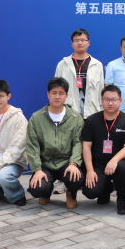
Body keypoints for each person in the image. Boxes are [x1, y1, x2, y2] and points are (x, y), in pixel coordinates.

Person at [26, 77, 84, 209]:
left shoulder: (75, 118)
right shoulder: (36, 118)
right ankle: (45, 192)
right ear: (48, 94)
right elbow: (32, 145)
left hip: (66, 162)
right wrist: (37, 169)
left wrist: (74, 163)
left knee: (76, 178)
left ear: (66, 95)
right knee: (37, 189)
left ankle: (71, 193)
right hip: (46, 163)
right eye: (54, 93)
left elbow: (78, 142)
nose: (57, 96)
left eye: (61, 93)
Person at [81, 85, 125, 215]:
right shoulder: (92, 120)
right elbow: (86, 146)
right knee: (90, 192)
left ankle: (122, 198)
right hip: (98, 163)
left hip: (119, 162)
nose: (110, 103)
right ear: (101, 100)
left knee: (123, 167)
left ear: (120, 101)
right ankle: (106, 189)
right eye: (107, 99)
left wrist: (114, 160)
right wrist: (90, 170)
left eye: (114, 99)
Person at [55, 28, 104, 119]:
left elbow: (101, 89)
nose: (80, 43)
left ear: (88, 43)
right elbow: (56, 88)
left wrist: (101, 110)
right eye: (76, 40)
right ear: (72, 44)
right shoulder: (63, 64)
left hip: (92, 110)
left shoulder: (97, 64)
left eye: (83, 40)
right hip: (69, 110)